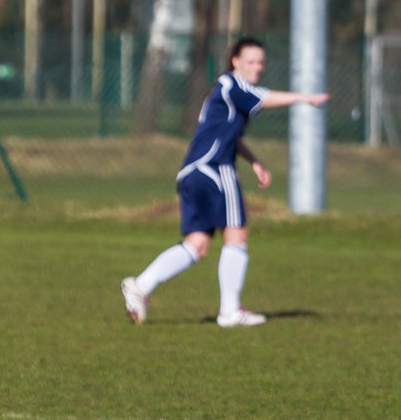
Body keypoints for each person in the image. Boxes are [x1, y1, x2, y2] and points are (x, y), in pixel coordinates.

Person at [120, 37, 328, 327]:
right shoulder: (233, 84)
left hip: (192, 172)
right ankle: (230, 311)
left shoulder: (224, 92)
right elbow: (264, 98)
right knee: (236, 236)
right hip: (215, 170)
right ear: (235, 61)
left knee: (197, 245)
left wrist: (254, 161)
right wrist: (303, 98)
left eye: (260, 62)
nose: (257, 67)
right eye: (250, 61)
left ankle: (140, 285)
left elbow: (229, 135)